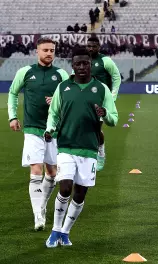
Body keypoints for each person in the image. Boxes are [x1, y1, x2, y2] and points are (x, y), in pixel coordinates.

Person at [44, 48, 118, 247]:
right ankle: (55, 230)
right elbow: (53, 113)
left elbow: (114, 118)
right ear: (73, 66)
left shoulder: (101, 89)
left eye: (86, 63)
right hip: (66, 145)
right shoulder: (63, 87)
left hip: (89, 148)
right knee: (65, 187)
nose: (83, 67)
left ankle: (66, 233)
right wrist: (50, 129)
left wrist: (105, 113)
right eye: (78, 64)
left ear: (90, 64)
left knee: (80, 193)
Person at [8, 38, 70, 231]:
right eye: (45, 50)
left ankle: (41, 206)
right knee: (36, 170)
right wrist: (13, 117)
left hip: (54, 130)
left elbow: (70, 97)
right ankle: (38, 216)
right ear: (37, 51)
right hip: (33, 129)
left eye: (52, 50)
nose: (49, 53)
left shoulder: (61, 74)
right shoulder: (25, 72)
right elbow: (12, 92)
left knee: (52, 173)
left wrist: (58, 101)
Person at [85, 37, 120, 171]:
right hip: (84, 100)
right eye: (89, 46)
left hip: (101, 101)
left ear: (99, 47)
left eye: (93, 46)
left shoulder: (106, 61)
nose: (91, 49)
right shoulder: (83, 60)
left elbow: (116, 77)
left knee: (96, 129)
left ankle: (100, 153)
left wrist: (112, 97)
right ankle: (86, 154)